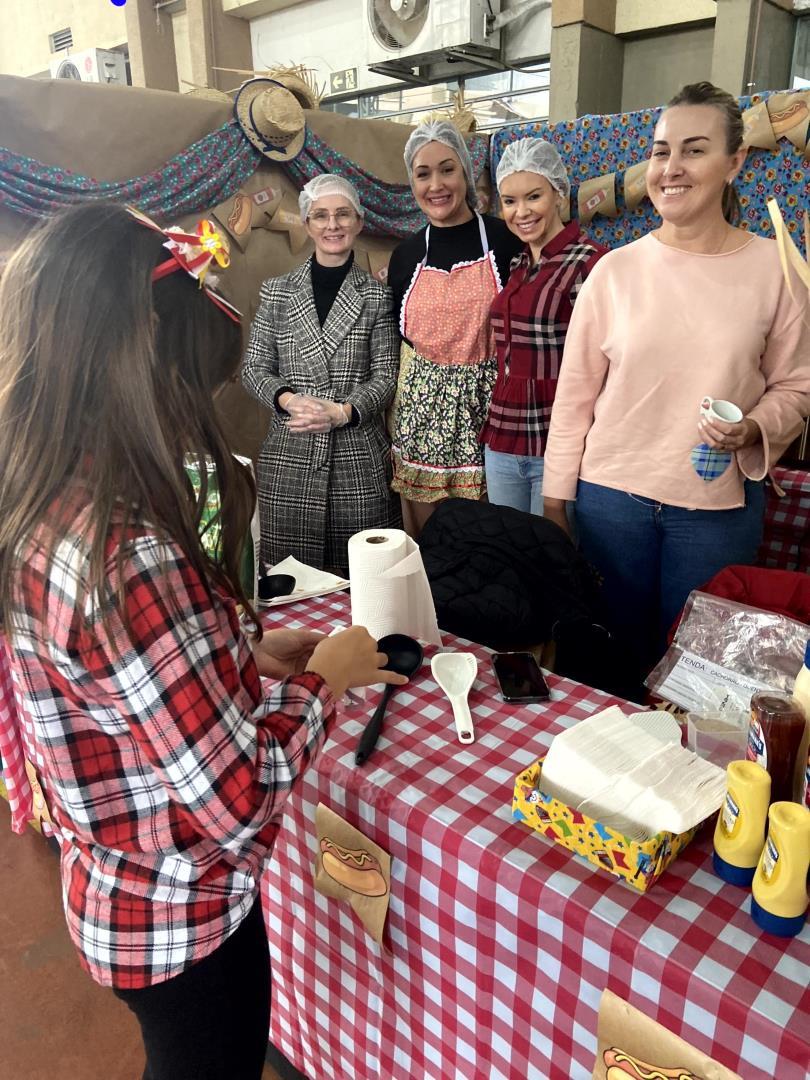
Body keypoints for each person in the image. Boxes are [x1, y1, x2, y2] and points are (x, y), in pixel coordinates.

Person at [0, 203, 407, 1080]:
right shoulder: (127, 557)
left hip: (115, 894)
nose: (192, 420)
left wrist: (234, 654)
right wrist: (327, 679)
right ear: (140, 352)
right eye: (189, 389)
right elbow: (239, 798)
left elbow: (112, 684)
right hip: (183, 922)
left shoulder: (44, 506)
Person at [543, 81, 810, 689]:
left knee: (698, 676)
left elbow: (797, 386)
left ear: (734, 162)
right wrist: (555, 502)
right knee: (612, 661)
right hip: (610, 499)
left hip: (715, 509)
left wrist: (754, 427)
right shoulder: (615, 271)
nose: (672, 168)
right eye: (662, 151)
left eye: (694, 150)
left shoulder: (775, 270)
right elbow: (575, 397)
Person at [243, 174, 400, 575]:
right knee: (289, 585)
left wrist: (342, 412)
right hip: (290, 455)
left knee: (363, 584)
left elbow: (386, 375)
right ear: (307, 223)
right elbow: (254, 367)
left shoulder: (377, 295)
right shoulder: (277, 291)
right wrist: (290, 400)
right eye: (321, 215)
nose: (333, 225)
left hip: (357, 460)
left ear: (358, 222)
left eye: (343, 214)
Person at [388, 119, 522, 535]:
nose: (436, 185)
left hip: (491, 416)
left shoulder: (506, 240)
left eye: (447, 169)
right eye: (423, 174)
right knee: (431, 546)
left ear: (465, 171)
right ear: (412, 182)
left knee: (490, 540)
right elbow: (399, 342)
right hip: (420, 423)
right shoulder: (406, 255)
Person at [480, 137, 606, 515]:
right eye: (510, 201)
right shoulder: (519, 263)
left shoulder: (592, 263)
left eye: (533, 197)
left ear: (559, 194)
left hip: (559, 442)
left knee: (552, 548)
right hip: (503, 436)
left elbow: (605, 366)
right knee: (508, 545)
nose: (521, 212)